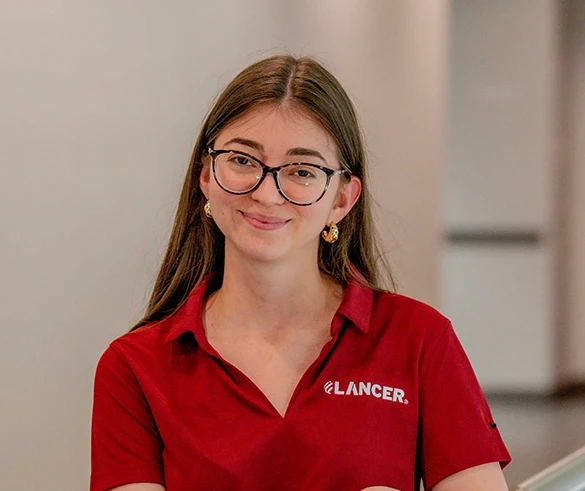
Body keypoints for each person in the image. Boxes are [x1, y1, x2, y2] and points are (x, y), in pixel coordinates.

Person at [90, 55, 511, 491]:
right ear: (205, 176)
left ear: (342, 200)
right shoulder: (134, 367)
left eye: (302, 171)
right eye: (242, 161)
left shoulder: (419, 339)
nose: (267, 193)